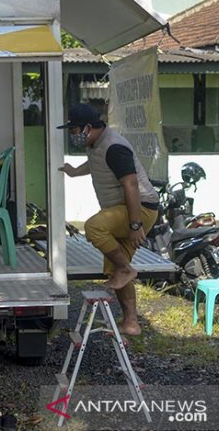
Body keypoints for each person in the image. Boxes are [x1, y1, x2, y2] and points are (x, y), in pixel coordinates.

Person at [57, 104, 159, 336]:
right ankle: (131, 322)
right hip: (125, 209)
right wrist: (75, 171)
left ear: (88, 127)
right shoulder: (96, 144)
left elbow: (131, 185)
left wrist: (135, 225)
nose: (72, 135)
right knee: (113, 268)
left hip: (140, 209)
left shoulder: (114, 147)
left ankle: (126, 269)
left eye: (74, 131)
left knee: (94, 227)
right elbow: (97, 164)